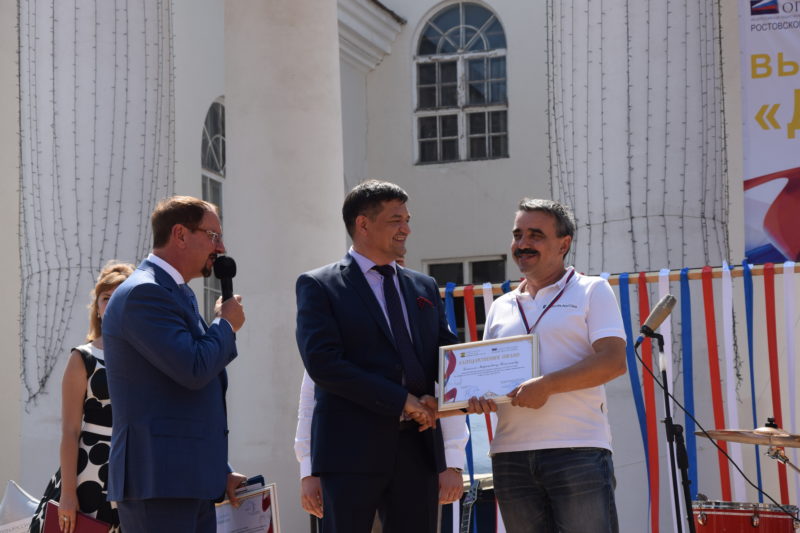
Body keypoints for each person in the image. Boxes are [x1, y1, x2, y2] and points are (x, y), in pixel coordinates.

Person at [295, 180, 462, 533]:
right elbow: (324, 364)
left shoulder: (423, 286)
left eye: (407, 220)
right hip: (350, 452)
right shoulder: (320, 285)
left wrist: (467, 393)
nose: (406, 229)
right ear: (363, 224)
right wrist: (402, 400)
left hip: (418, 448)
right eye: (395, 220)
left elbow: (446, 357)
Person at [468, 198, 627, 533]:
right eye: (518, 234)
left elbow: (613, 361)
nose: (523, 243)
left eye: (535, 235)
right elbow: (487, 378)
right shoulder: (501, 306)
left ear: (563, 244)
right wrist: (476, 397)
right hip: (510, 455)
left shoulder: (592, 290)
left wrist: (548, 385)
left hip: (577, 449)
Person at [102, 196, 246, 533]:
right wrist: (225, 325)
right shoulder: (143, 293)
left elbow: (184, 396)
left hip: (188, 480)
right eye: (213, 236)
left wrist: (219, 470)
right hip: (159, 482)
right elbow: (193, 368)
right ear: (180, 234)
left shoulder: (174, 292)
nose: (221, 248)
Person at [29, 262, 135, 533]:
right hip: (87, 472)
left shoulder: (149, 358)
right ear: (97, 308)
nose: (112, 304)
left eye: (120, 297)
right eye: (106, 298)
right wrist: (67, 493)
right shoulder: (83, 357)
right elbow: (70, 431)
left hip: (134, 473)